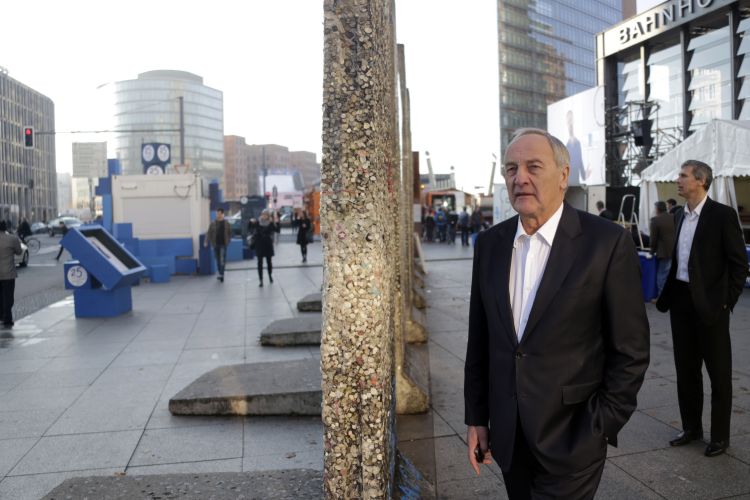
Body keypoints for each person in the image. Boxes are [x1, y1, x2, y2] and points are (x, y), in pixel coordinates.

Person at [464, 128, 650, 499]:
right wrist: (477, 418)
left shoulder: (606, 243)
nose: (520, 178)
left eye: (533, 167)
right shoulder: (490, 244)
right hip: (508, 438)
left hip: (574, 438)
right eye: (511, 168)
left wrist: (599, 425)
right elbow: (480, 341)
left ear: (563, 176)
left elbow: (631, 351)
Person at [656, 160, 748, 458]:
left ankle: (719, 437)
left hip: (711, 306)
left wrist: (725, 302)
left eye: (683, 176)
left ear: (701, 180)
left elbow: (739, 264)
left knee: (719, 374)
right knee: (686, 371)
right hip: (680, 302)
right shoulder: (678, 215)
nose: (678, 180)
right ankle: (691, 428)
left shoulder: (722, 215)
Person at [649, 201, 675, 297]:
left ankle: (661, 297)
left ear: (657, 209)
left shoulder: (655, 220)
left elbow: (653, 239)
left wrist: (651, 252)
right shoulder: (673, 217)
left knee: (662, 276)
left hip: (664, 252)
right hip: (674, 250)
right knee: (669, 275)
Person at [0, 220, 23, 328]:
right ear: (5, 228)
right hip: (8, 273)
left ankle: (1, 316)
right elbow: (19, 251)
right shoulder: (12, 239)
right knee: (8, 297)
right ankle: (7, 319)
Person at [252, 209, 280, 287]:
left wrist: (274, 222)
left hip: (268, 244)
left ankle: (270, 275)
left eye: (266, 215)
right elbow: (251, 228)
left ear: (268, 216)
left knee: (269, 262)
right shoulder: (257, 222)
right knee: (259, 263)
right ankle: (261, 280)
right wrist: (251, 222)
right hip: (259, 244)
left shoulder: (270, 223)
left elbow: (277, 230)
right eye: (263, 214)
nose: (264, 216)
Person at [205, 207, 231, 283]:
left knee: (222, 260)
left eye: (219, 214)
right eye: (217, 214)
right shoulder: (213, 223)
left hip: (223, 244)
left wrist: (228, 241)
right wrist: (206, 241)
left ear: (222, 214)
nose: (218, 215)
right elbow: (209, 233)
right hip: (215, 244)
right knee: (218, 260)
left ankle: (221, 274)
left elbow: (230, 233)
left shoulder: (226, 223)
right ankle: (220, 273)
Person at [566, 109, 587, 185]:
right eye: (568, 120)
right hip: (567, 183)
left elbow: (580, 162)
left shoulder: (577, 143)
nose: (570, 123)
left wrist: (584, 175)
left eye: (571, 120)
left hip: (575, 183)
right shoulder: (566, 145)